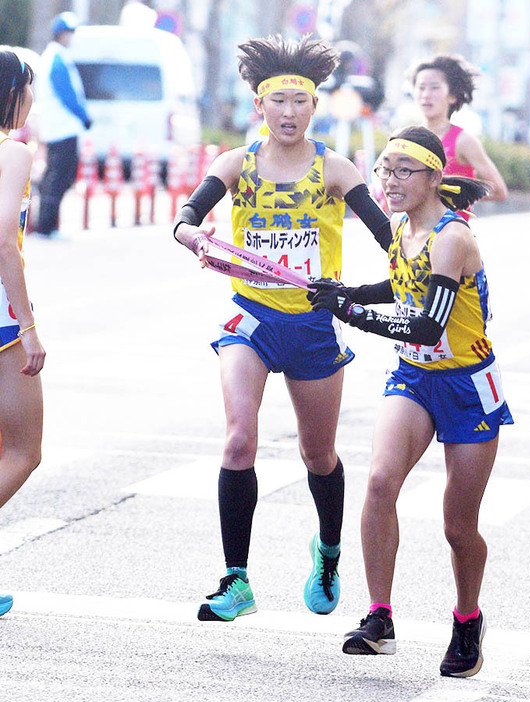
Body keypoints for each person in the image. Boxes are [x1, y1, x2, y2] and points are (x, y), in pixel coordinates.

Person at [172, 34, 392, 622]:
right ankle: (236, 579)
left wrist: (416, 269)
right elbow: (186, 219)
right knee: (240, 437)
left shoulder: (335, 169)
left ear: (314, 107)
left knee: (318, 454)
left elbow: (392, 241)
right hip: (251, 315)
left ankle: (327, 552)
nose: (288, 113)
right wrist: (195, 235)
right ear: (260, 108)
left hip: (314, 325)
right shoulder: (236, 164)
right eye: (278, 102)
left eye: (299, 101)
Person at [309, 125, 513, 676]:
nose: (390, 181)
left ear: (433, 178)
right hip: (414, 378)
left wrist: (352, 314)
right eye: (384, 169)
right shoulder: (401, 229)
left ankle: (467, 619)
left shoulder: (454, 238)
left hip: (469, 386)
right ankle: (380, 617)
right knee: (379, 482)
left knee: (457, 525)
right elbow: (400, 288)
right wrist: (345, 291)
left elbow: (426, 323)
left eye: (403, 171)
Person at [0, 50, 46, 617]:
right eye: (29, 88)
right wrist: (28, 323)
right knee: (23, 450)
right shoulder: (12, 152)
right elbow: (4, 239)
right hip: (2, 321)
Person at [410, 53, 508, 216]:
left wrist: (452, 194)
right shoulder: (408, 139)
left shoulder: (463, 141)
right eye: (421, 87)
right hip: (415, 237)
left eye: (434, 87)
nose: (426, 95)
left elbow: (499, 191)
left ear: (452, 96)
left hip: (452, 236)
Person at [35, 11, 91, 238]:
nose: (72, 37)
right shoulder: (57, 57)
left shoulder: (55, 56)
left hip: (58, 127)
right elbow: (67, 94)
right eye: (69, 32)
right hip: (62, 128)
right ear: (61, 34)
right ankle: (46, 225)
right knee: (60, 176)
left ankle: (48, 224)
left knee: (57, 176)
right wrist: (83, 116)